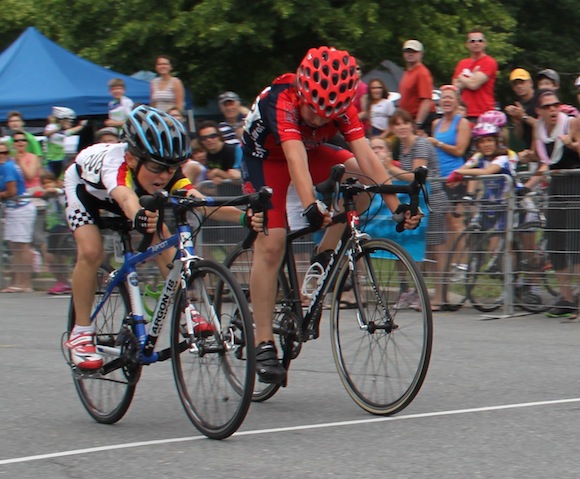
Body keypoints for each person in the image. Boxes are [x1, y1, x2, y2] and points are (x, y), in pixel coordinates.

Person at [240, 46, 421, 384]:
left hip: (310, 152)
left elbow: (367, 156)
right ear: (302, 90)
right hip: (266, 159)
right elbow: (294, 159)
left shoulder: (341, 106)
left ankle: (323, 253)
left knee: (361, 183)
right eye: (314, 109)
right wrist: (311, 205)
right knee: (272, 243)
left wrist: (397, 206)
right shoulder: (282, 99)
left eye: (329, 113)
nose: (320, 119)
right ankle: (263, 342)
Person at [63, 105, 263, 370]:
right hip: (86, 192)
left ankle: (184, 309)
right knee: (91, 251)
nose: (164, 176)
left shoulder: (166, 170)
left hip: (133, 194)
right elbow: (126, 197)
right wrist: (138, 216)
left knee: (164, 236)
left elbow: (200, 203)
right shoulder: (116, 163)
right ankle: (80, 333)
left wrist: (243, 218)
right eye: (157, 167)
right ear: (132, 158)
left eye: (172, 169)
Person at [520, 90, 580, 319]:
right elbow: (544, 161)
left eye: (555, 104)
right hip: (556, 186)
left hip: (575, 185)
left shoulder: (571, 122)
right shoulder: (539, 128)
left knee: (575, 245)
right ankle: (566, 298)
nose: (553, 109)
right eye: (547, 106)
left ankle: (577, 298)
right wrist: (528, 161)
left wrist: (572, 144)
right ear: (539, 110)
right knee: (556, 244)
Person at [387, 108, 449, 311]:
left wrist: (389, 167)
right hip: (417, 201)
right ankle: (414, 292)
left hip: (433, 199)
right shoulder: (401, 147)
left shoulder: (420, 144)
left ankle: (439, 296)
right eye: (397, 124)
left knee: (435, 249)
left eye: (405, 122)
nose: (402, 127)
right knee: (417, 248)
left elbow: (417, 176)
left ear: (412, 124)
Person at [0, 141, 37, 293]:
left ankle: (25, 283)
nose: (1, 156)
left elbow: (12, 191)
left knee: (22, 246)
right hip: (12, 209)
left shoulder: (7, 167)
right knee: (14, 247)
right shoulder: (4, 167)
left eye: (4, 153)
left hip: (20, 208)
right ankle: (17, 282)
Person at [452, 28, 498, 122]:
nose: (476, 43)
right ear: (467, 44)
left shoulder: (489, 62)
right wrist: (472, 78)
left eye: (480, 40)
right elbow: (455, 88)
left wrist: (461, 77)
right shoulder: (462, 63)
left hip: (484, 113)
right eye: (472, 41)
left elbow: (474, 85)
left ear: (485, 43)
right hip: (464, 113)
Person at [38, 170, 72, 295]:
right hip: (52, 228)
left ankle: (64, 282)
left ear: (56, 182)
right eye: (44, 184)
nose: (47, 186)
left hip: (62, 227)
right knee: (51, 257)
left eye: (49, 182)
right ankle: (61, 281)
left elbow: (60, 192)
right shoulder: (48, 196)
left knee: (58, 256)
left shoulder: (59, 193)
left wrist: (53, 189)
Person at [398, 40, 435, 135]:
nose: (410, 54)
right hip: (408, 119)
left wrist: (418, 124)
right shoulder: (407, 72)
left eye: (414, 51)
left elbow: (426, 101)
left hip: (421, 120)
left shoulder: (422, 73)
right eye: (407, 51)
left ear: (421, 54)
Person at [44, 107, 87, 178]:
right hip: (50, 159)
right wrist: (58, 128)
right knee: (50, 177)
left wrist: (81, 126)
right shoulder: (52, 126)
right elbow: (46, 133)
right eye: (68, 121)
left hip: (60, 158)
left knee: (60, 177)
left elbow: (70, 131)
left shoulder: (63, 131)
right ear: (62, 120)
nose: (70, 123)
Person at [196, 121, 241, 187]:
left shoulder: (232, 151)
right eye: (204, 138)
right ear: (200, 141)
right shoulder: (208, 154)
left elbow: (237, 177)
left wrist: (217, 172)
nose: (209, 140)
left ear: (219, 136)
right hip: (223, 190)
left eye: (212, 136)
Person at [504, 68, 537, 150]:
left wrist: (523, 116)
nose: (518, 86)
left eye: (522, 82)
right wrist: (518, 122)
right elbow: (519, 137)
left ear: (531, 83)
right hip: (528, 148)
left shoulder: (540, 99)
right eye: (515, 84)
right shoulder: (519, 105)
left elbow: (542, 126)